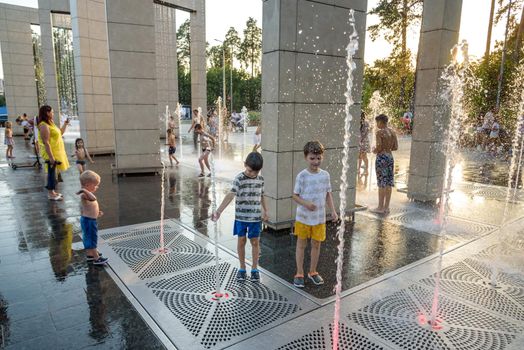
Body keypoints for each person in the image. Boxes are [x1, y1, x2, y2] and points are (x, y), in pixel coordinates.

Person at [211, 152, 268, 282]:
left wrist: (266, 210)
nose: (252, 174)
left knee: (255, 242)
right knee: (241, 241)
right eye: (249, 170)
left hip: (255, 218)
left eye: (255, 172)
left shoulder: (260, 180)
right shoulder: (239, 179)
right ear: (245, 165)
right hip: (241, 218)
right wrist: (219, 211)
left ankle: (254, 268)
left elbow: (262, 195)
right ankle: (242, 268)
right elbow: (231, 194)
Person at [292, 141, 338, 288]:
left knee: (316, 245)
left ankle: (312, 271)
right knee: (301, 245)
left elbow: (328, 194)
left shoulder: (325, 175)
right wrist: (306, 204)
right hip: (303, 218)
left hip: (319, 218)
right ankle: (299, 272)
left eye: (318, 158)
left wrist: (333, 211)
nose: (316, 161)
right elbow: (295, 196)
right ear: (306, 157)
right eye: (312, 158)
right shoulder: (302, 176)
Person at [37, 105, 70, 201]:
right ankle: (51, 194)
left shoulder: (50, 123)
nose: (53, 113)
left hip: (57, 151)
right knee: (51, 172)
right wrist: (51, 157)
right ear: (47, 113)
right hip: (51, 152)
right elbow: (46, 142)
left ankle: (53, 191)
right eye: (52, 112)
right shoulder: (43, 125)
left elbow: (60, 133)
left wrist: (65, 124)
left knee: (55, 173)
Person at [76, 170, 108, 265]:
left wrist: (97, 212)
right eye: (95, 185)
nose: (97, 187)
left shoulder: (86, 193)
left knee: (91, 237)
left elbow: (90, 206)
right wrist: (84, 190)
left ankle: (90, 255)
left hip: (90, 219)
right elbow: (93, 199)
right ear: (87, 185)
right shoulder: (84, 194)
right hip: (88, 221)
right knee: (91, 238)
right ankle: (96, 258)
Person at [371, 114, 398, 215]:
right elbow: (395, 147)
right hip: (390, 158)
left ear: (381, 122)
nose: (376, 124)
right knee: (389, 182)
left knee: (381, 182)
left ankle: (380, 207)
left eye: (377, 122)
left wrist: (374, 150)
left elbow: (378, 146)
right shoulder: (392, 131)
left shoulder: (380, 132)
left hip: (382, 158)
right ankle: (387, 207)